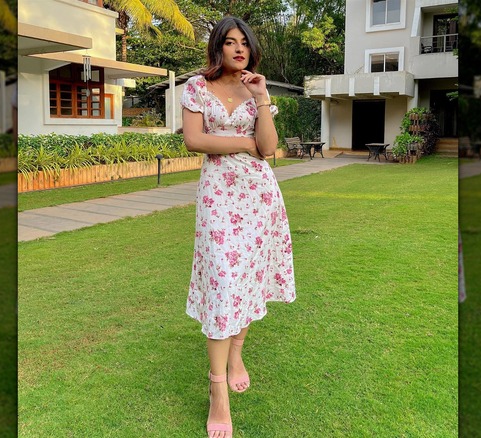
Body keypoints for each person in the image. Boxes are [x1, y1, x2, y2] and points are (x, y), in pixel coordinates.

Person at [180, 16, 296, 438]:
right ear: (218, 48)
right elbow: (195, 140)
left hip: (259, 198)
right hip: (217, 200)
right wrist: (246, 144)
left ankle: (236, 357)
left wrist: (262, 98)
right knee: (223, 282)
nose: (238, 48)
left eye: (244, 42)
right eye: (229, 42)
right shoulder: (196, 87)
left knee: (246, 280)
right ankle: (217, 391)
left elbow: (269, 148)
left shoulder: (255, 89)